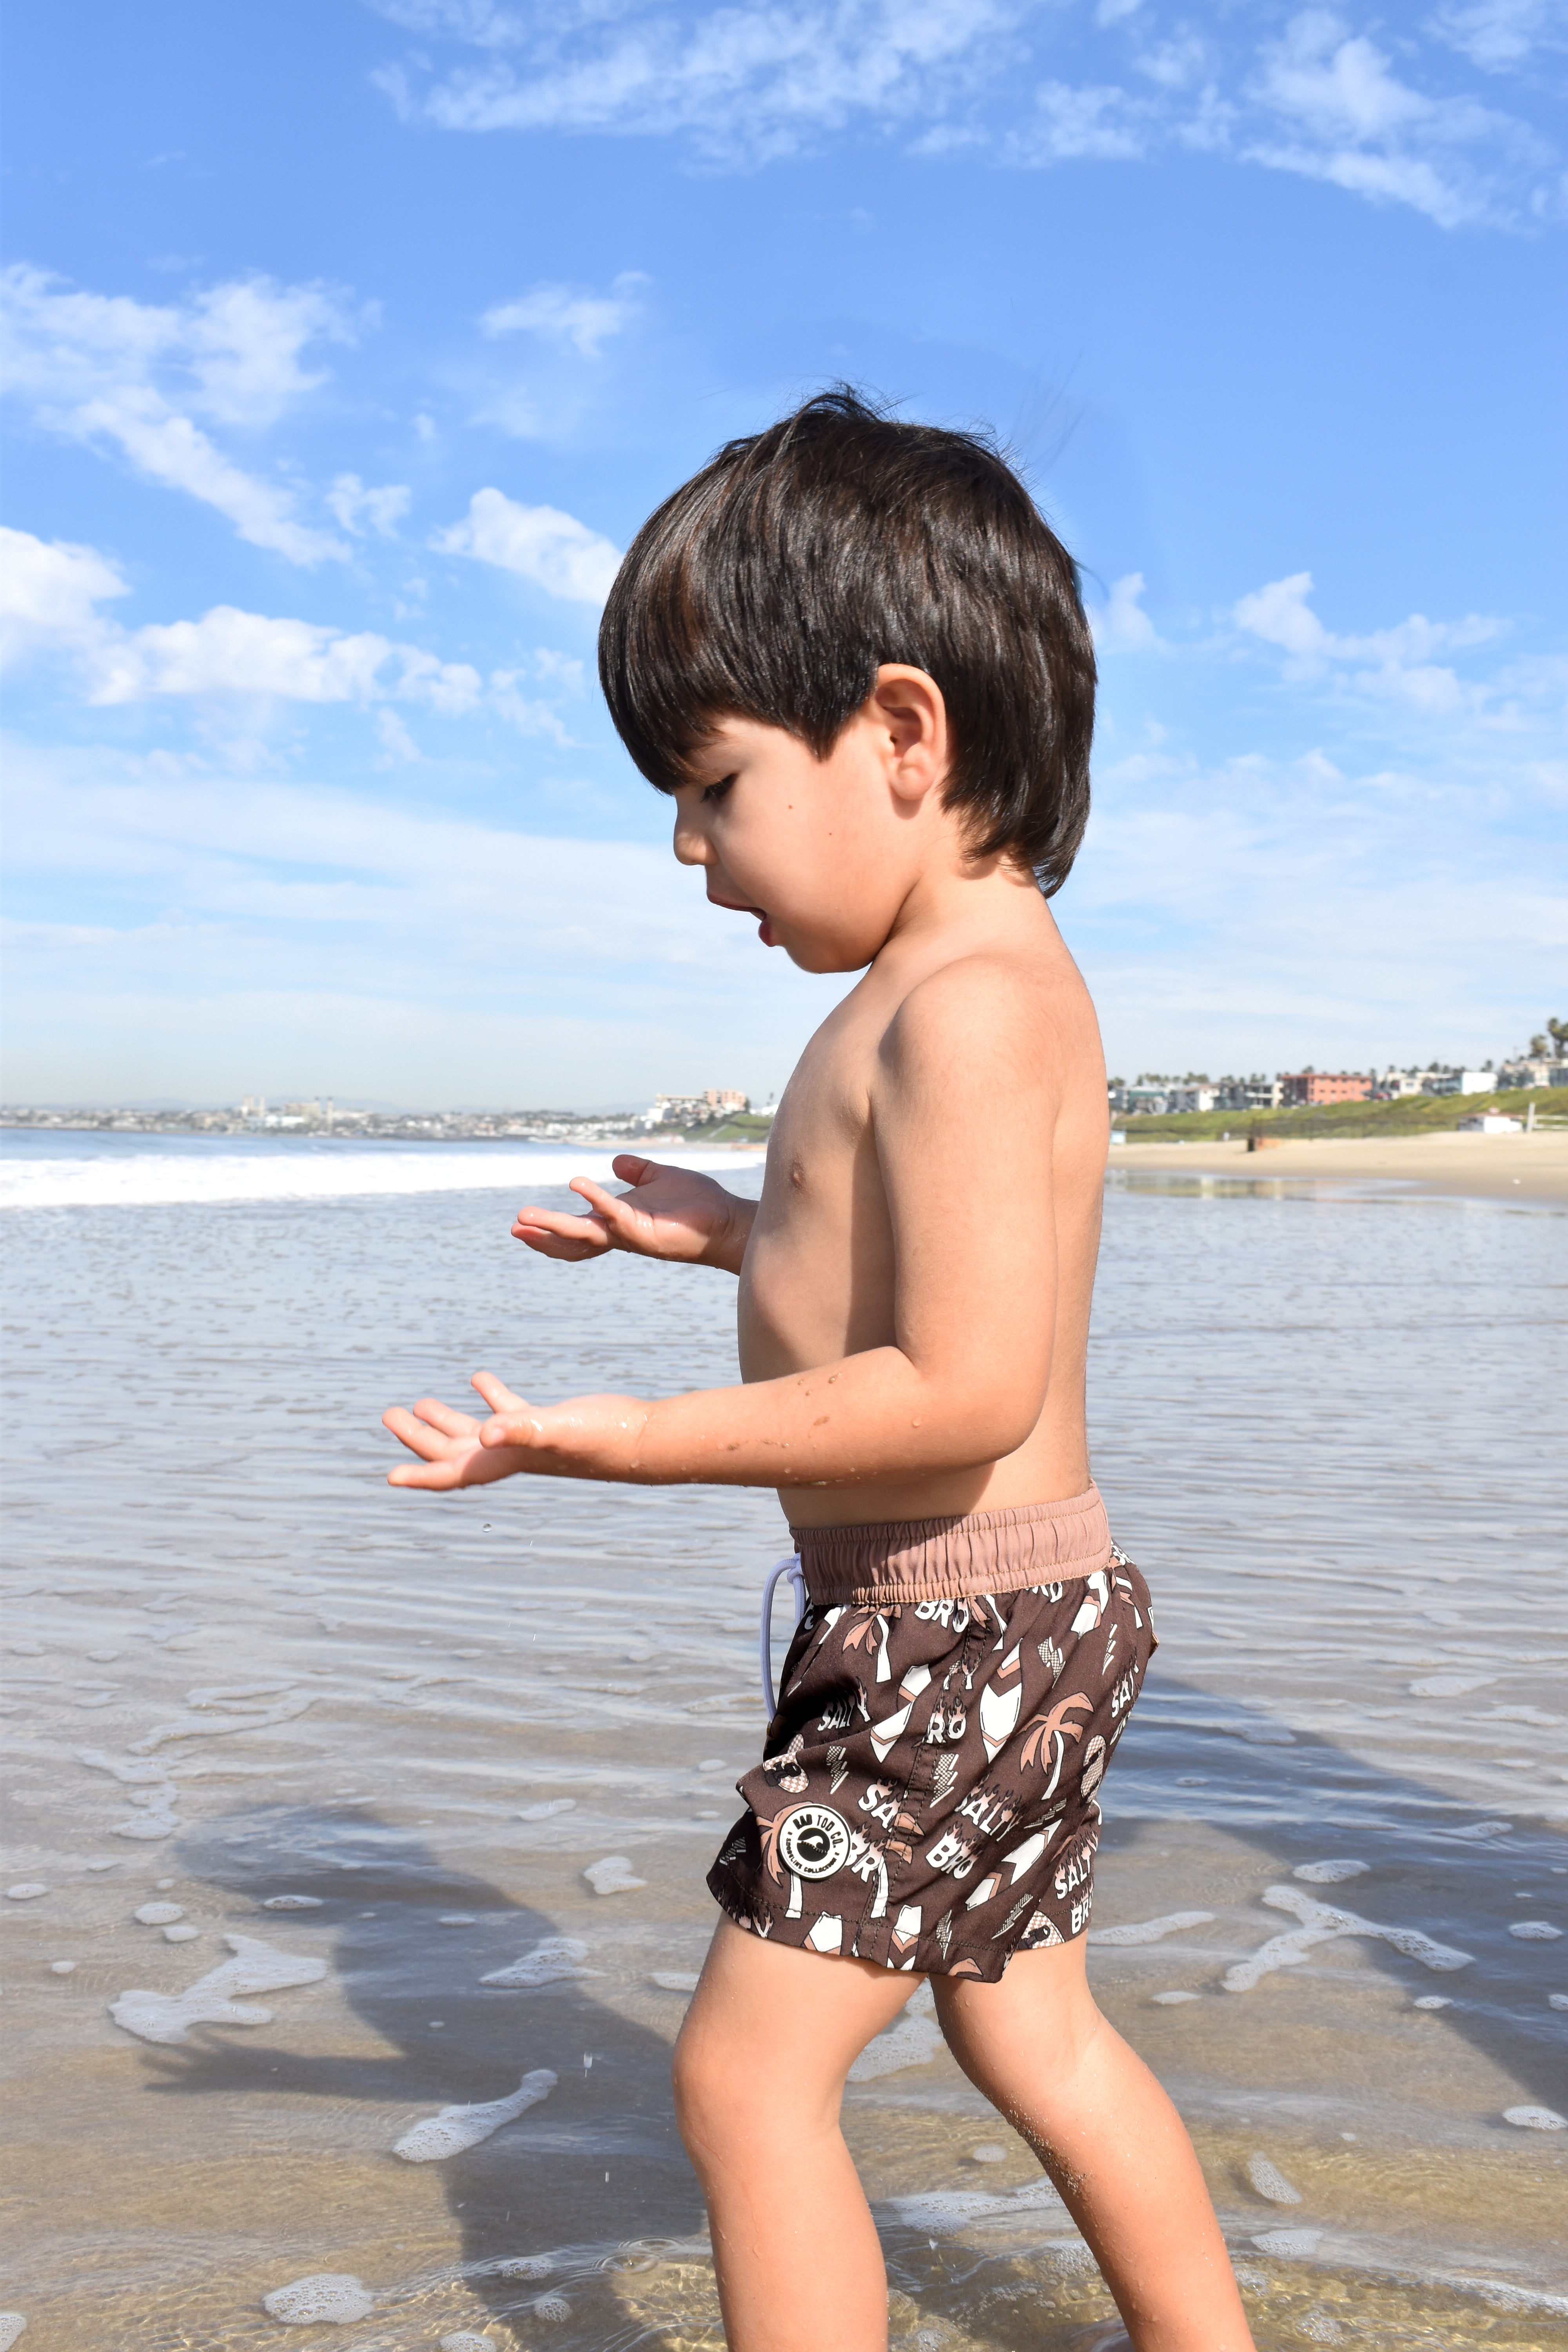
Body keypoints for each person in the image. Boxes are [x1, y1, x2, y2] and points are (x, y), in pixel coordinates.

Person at [383, 390, 1254, 2352]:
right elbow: (883, 1267)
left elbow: (953, 1382)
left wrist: (608, 1440)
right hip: (997, 1619)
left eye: (709, 786)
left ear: (901, 733)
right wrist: (715, 1226)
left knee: (743, 2078)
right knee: (1028, 2024)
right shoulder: (939, 986)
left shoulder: (963, 1005)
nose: (688, 851)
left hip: (957, 1636)